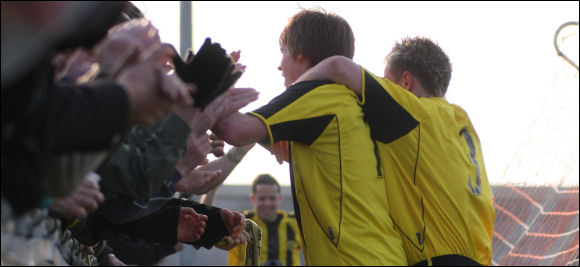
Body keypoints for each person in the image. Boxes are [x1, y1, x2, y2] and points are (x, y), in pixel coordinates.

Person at [212, 8, 406, 265]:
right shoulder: (348, 103)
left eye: (283, 52)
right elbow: (256, 136)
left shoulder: (316, 96)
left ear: (300, 54)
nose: (279, 65)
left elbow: (233, 130)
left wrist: (212, 85)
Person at [294, 37, 495, 266]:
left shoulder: (415, 114)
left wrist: (293, 97)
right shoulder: (460, 120)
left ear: (406, 81)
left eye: (387, 81)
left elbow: (338, 66)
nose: (383, 86)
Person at [207, 174, 302, 266]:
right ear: (253, 199)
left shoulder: (296, 223)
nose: (267, 203)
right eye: (262, 198)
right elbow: (206, 230)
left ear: (279, 198)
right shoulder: (239, 222)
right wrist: (211, 189)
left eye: (272, 198)